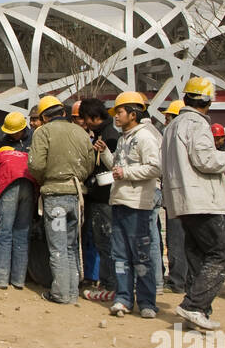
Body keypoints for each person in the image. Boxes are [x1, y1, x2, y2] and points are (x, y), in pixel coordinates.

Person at [159, 77, 225, 330]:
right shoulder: (197, 124)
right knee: (222, 253)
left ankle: (198, 313)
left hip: (181, 199)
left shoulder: (172, 126)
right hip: (202, 200)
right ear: (208, 101)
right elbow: (205, 160)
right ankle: (194, 306)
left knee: (197, 255)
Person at [28, 95, 96, 304]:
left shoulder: (43, 132)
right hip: (77, 195)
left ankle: (60, 293)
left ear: (44, 117)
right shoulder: (81, 132)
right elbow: (89, 163)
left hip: (54, 196)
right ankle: (72, 290)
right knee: (71, 245)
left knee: (57, 246)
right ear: (63, 113)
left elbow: (36, 165)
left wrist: (46, 179)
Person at [106, 91, 161, 318]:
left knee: (141, 255)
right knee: (120, 254)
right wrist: (105, 155)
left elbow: (155, 168)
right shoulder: (122, 139)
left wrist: (125, 172)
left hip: (138, 205)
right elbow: (117, 168)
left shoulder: (145, 137)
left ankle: (147, 301)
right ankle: (123, 298)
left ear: (133, 113)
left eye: (119, 112)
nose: (116, 117)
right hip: (119, 201)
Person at [0, 112, 36, 289]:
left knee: (5, 232)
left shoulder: (28, 139)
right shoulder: (8, 138)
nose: (13, 135)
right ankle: (18, 279)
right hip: (28, 184)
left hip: (9, 184)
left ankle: (2, 278)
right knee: (20, 234)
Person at [80, 98, 118, 301]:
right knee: (102, 240)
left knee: (105, 241)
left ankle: (110, 285)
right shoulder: (102, 132)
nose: (86, 125)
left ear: (95, 117)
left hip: (104, 197)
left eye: (87, 120)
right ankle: (108, 282)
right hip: (99, 196)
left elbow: (113, 166)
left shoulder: (110, 135)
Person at [162, 98, 188, 292]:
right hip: (193, 198)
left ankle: (178, 281)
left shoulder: (171, 138)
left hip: (177, 196)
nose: (165, 122)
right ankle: (189, 279)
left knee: (177, 240)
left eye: (168, 117)